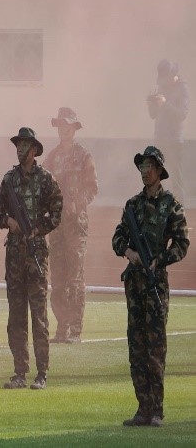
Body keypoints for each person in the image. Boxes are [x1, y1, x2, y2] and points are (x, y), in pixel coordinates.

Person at [112, 146, 188, 428]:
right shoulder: (132, 205)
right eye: (142, 166)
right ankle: (142, 409)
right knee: (137, 349)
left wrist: (160, 260)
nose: (144, 171)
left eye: (149, 167)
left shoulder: (171, 205)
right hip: (135, 286)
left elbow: (182, 243)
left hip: (156, 284)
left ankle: (156, 410)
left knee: (155, 350)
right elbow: (117, 237)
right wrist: (129, 252)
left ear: (159, 170)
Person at [0, 127, 62, 390]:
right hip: (14, 259)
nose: (20, 149)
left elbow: (57, 211)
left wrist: (38, 229)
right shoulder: (9, 180)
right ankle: (19, 372)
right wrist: (9, 221)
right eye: (18, 145)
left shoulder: (46, 180)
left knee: (39, 317)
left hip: (36, 256)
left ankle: (42, 373)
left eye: (24, 146)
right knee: (16, 318)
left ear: (34, 150)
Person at [45, 108, 98, 344]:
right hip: (57, 226)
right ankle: (61, 328)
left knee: (75, 278)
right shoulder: (52, 158)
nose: (63, 129)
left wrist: (78, 203)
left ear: (74, 128)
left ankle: (75, 330)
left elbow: (92, 187)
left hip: (76, 225)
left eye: (67, 125)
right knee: (57, 279)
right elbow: (43, 186)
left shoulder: (84, 156)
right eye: (60, 125)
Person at [147, 60, 189, 198]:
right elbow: (153, 115)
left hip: (174, 141)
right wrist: (152, 104)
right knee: (156, 179)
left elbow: (182, 114)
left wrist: (165, 103)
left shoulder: (182, 89)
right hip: (160, 139)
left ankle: (179, 209)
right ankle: (158, 209)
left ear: (172, 75)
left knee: (176, 179)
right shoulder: (162, 87)